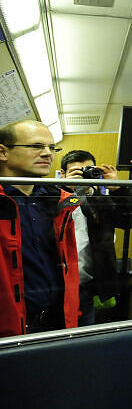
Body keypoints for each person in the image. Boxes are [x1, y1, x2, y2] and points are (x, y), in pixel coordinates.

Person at [0, 119, 80, 337]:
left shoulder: (57, 202)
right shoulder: (3, 201)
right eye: (36, 146)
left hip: (56, 323)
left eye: (51, 148)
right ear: (3, 152)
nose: (48, 154)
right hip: (9, 329)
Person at [58, 150, 132, 325]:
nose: (83, 175)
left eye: (87, 170)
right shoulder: (51, 196)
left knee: (86, 341)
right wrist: (71, 191)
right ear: (62, 174)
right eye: (77, 171)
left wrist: (117, 188)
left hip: (88, 288)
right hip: (57, 287)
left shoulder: (99, 200)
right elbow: (52, 216)